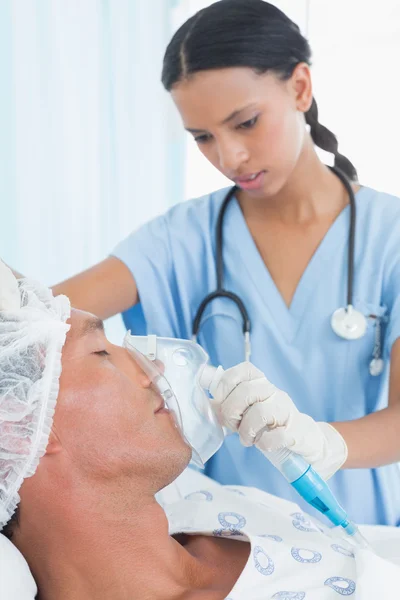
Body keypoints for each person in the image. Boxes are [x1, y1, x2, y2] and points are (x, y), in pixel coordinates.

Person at [13, 0, 400, 526]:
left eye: (245, 123)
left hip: (368, 537)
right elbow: (34, 320)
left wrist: (322, 441)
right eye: (203, 137)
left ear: (301, 87)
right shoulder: (178, 240)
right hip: (235, 542)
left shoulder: (390, 236)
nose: (229, 157)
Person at [1, 263, 399, 600]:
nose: (152, 369)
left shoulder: (210, 506)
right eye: (102, 352)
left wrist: (330, 443)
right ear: (20, 427)